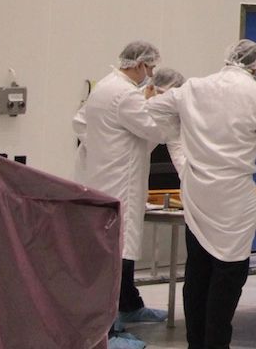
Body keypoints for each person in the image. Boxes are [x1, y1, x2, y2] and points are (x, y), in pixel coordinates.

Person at [148, 40, 256, 349]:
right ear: (254, 66)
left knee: (198, 269)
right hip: (234, 193)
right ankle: (216, 342)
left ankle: (196, 342)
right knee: (229, 272)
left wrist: (180, 130)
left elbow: (152, 106)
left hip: (197, 190)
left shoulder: (193, 87)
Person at [72, 40, 169, 349]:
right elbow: (154, 130)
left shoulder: (104, 87)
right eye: (150, 67)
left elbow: (81, 124)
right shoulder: (126, 94)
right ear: (139, 64)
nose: (150, 73)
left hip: (104, 177)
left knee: (116, 249)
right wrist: (162, 106)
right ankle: (109, 330)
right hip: (121, 183)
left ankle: (130, 304)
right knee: (119, 252)